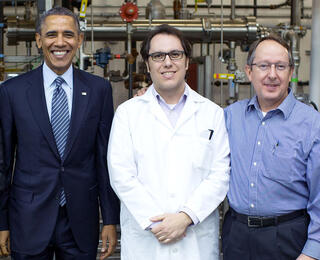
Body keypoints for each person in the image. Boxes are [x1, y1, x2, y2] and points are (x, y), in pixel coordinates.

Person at [0, 7, 119, 259]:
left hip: (80, 220)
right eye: (51, 34)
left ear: (79, 40)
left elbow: (104, 159)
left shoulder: (99, 90)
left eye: (68, 34)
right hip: (28, 219)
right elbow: (3, 162)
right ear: (39, 40)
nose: (60, 42)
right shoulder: (12, 92)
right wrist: (2, 222)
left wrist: (109, 219)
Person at [107, 24, 230, 260]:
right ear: (147, 63)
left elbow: (220, 175)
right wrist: (159, 223)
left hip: (195, 241)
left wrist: (185, 217)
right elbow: (121, 174)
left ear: (186, 62)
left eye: (175, 54)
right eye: (158, 56)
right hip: (146, 240)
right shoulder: (127, 113)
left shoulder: (212, 113)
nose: (167, 62)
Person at [222, 34, 320, 260]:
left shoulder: (311, 123)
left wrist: (312, 252)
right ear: (249, 72)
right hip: (236, 235)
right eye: (264, 66)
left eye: (280, 66)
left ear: (291, 73)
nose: (272, 75)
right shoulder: (230, 117)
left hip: (288, 238)